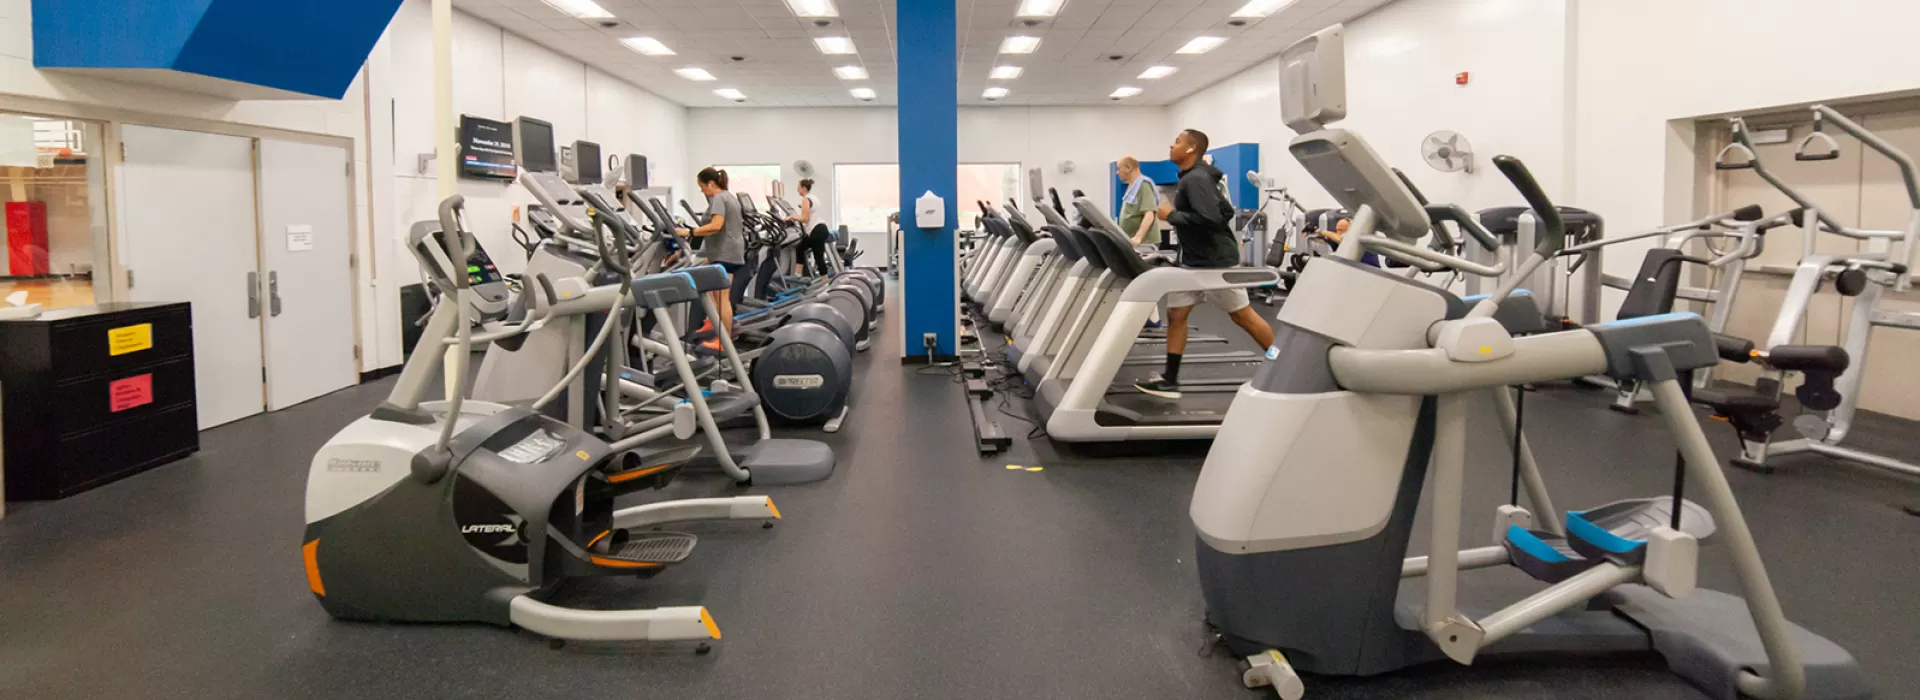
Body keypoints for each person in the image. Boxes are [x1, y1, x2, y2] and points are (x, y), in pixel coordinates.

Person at [1133, 129, 1276, 399]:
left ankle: (1285, 366)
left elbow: (1210, 218)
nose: (1171, 145)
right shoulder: (1196, 177)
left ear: (1191, 149)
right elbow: (1226, 211)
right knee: (1176, 316)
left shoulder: (1196, 179)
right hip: (1192, 262)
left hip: (1213, 263)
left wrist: (1172, 215)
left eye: (1176, 142)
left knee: (1243, 317)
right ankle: (1170, 380)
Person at [680, 167, 748, 348]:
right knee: (715, 294)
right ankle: (717, 327)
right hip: (727, 251)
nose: (702, 190)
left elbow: (716, 225)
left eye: (702, 186)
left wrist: (689, 232)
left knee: (721, 297)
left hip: (725, 252)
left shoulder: (718, 198)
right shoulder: (728, 196)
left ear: (710, 183)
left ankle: (723, 342)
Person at [789, 178, 833, 276]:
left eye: (798, 187)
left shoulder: (805, 199)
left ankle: (798, 275)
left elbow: (805, 218)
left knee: (808, 252)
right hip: (821, 228)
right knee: (805, 249)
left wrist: (792, 217)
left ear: (804, 188)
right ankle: (800, 274)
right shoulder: (814, 198)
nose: (797, 189)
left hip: (817, 230)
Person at [1115, 157, 1160, 246]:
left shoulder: (1143, 184)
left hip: (1144, 242)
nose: (1117, 172)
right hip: (1132, 240)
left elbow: (1149, 214)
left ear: (1128, 167)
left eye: (1119, 169)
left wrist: (1138, 237)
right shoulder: (1132, 186)